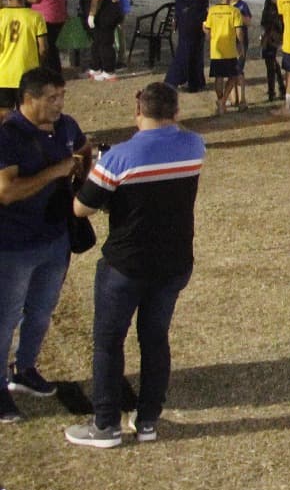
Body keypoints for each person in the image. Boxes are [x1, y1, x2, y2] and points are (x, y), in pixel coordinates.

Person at [65, 80, 203, 447]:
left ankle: (105, 424)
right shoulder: (194, 146)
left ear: (138, 111)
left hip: (126, 264)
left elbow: (82, 208)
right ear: (176, 112)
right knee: (155, 339)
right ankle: (148, 421)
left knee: (108, 342)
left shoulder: (119, 157)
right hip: (174, 262)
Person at [0, 68, 88, 424]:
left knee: (41, 311)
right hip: (14, 246)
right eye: (52, 98)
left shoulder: (66, 126)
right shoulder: (8, 136)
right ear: (29, 99)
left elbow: (83, 150)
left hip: (55, 240)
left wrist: (83, 174)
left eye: (62, 96)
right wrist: (56, 171)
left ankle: (25, 368)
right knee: (5, 318)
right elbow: (6, 192)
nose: (59, 104)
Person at [163, 0, 212, 94]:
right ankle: (195, 81)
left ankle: (174, 80)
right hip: (199, 20)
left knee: (184, 50)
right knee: (196, 51)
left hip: (189, 20)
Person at [0, 0, 48, 116]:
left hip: (3, 74)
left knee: (4, 112)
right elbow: (43, 48)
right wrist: (40, 65)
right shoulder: (36, 17)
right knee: (27, 113)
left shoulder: (1, 16)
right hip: (28, 74)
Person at [202, 0, 246, 115]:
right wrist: (241, 45)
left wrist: (209, 37)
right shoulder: (235, 11)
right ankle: (223, 100)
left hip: (217, 48)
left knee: (218, 77)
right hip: (230, 49)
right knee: (233, 76)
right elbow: (239, 32)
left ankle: (220, 100)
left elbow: (207, 29)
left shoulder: (212, 11)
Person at [26, 0, 67, 75]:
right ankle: (55, 70)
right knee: (52, 45)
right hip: (58, 15)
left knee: (44, 46)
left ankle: (48, 71)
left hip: (44, 17)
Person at [259, 0, 284, 104]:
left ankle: (271, 91)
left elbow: (274, 18)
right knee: (272, 61)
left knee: (270, 62)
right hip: (272, 32)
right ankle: (281, 88)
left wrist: (267, 33)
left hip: (272, 33)